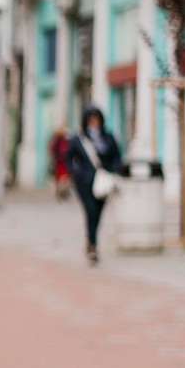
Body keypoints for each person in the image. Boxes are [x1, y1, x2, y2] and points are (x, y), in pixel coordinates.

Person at [65, 104, 124, 265]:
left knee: (97, 214)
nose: (94, 122)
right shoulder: (78, 139)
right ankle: (92, 244)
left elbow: (117, 157)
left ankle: (92, 242)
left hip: (103, 183)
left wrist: (112, 169)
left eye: (96, 118)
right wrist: (77, 173)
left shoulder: (108, 137)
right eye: (90, 119)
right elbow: (68, 157)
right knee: (90, 211)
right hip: (84, 183)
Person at [48, 123, 72, 200]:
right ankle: (60, 191)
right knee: (61, 177)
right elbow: (53, 150)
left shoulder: (67, 142)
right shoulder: (57, 141)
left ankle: (63, 191)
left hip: (65, 162)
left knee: (65, 177)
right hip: (59, 161)